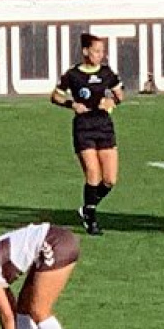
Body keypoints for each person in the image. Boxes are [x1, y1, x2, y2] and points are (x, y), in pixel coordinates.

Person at [52, 33, 124, 236]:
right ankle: (91, 219)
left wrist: (113, 101)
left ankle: (87, 206)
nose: (101, 55)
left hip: (104, 126)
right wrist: (71, 103)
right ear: (85, 51)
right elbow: (55, 95)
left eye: (102, 51)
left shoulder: (107, 73)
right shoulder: (73, 75)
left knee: (109, 179)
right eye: (97, 51)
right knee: (93, 173)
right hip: (84, 127)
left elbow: (120, 93)